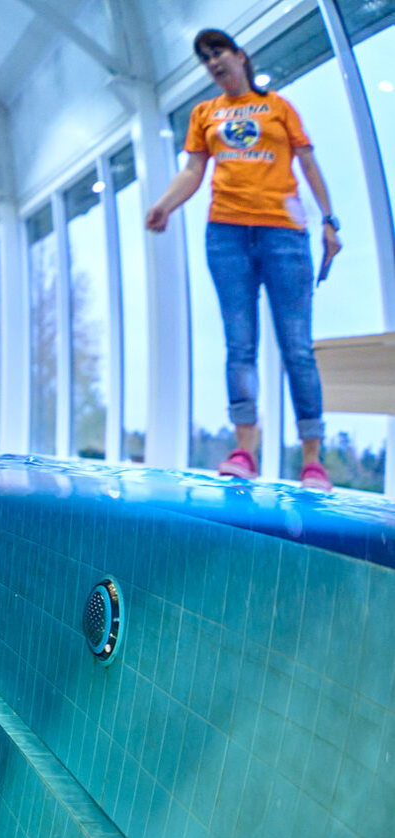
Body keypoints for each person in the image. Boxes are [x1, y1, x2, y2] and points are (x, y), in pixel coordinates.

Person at [144, 27, 342, 491]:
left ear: (240, 56)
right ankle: (244, 451)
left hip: (283, 235)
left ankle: (313, 459)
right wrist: (165, 204)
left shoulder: (278, 108)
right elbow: (193, 171)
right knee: (240, 346)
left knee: (297, 346)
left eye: (219, 52)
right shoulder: (204, 114)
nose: (213, 62)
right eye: (205, 58)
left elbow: (308, 163)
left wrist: (330, 221)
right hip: (227, 236)